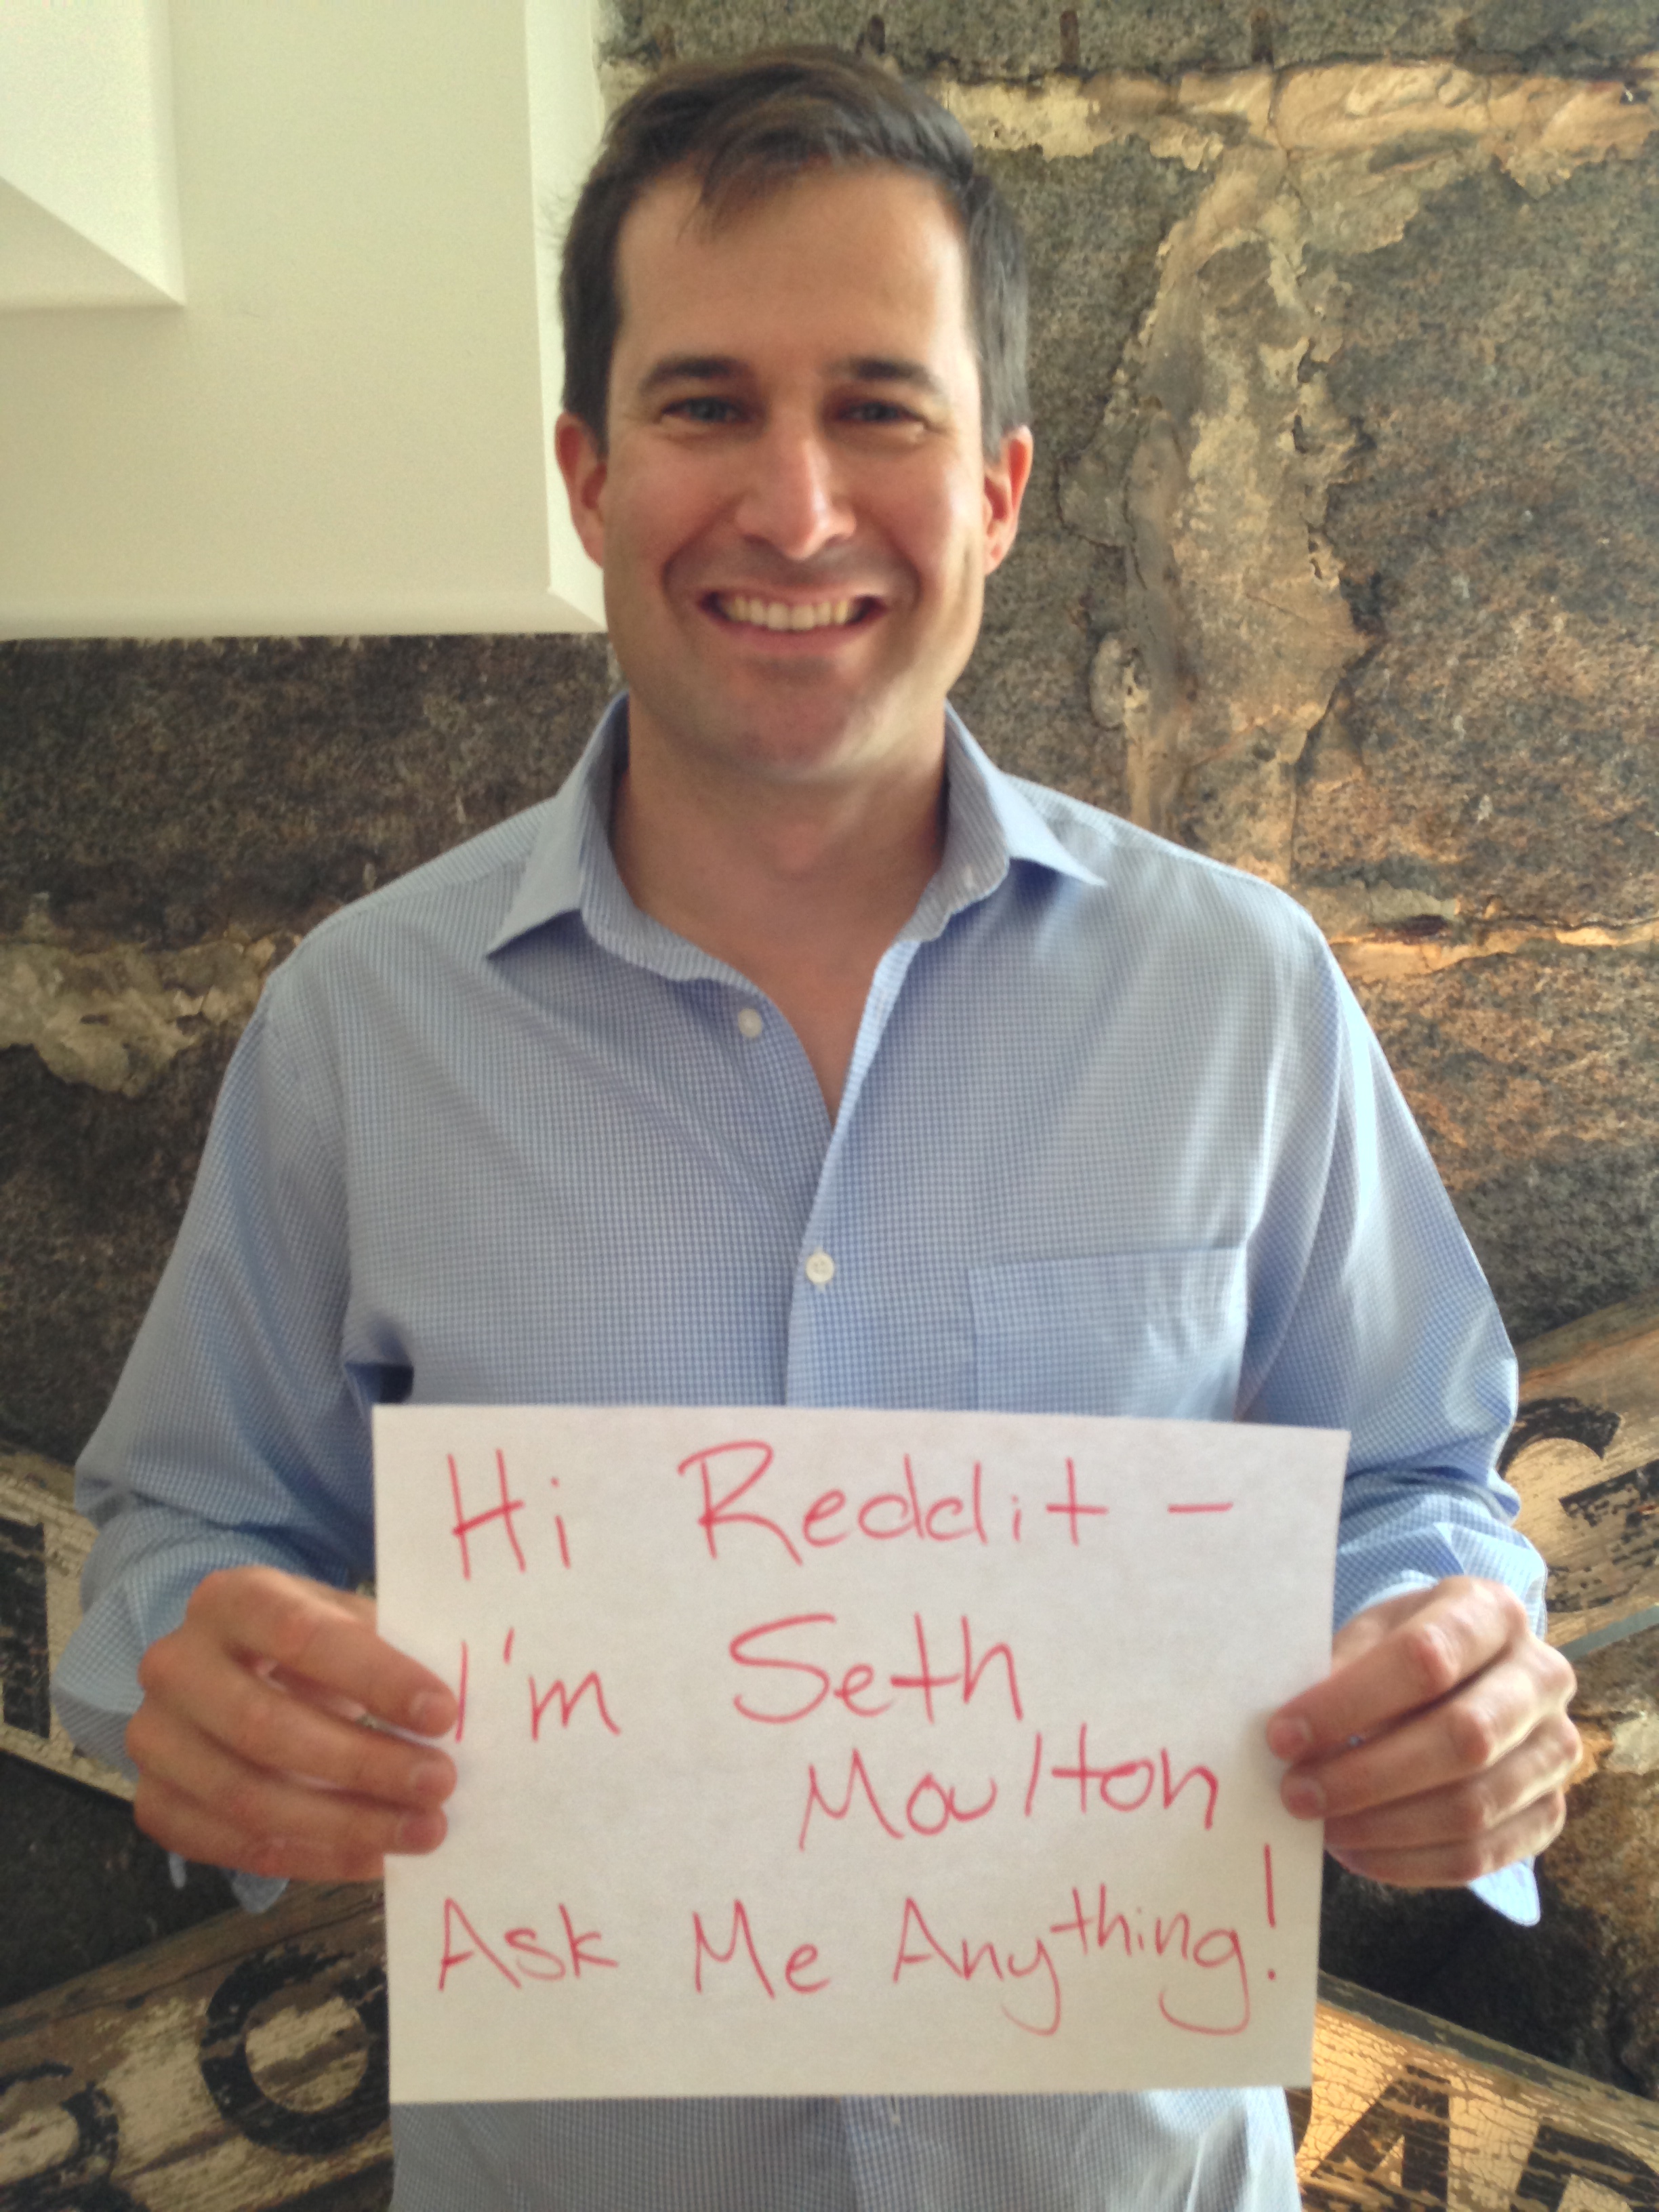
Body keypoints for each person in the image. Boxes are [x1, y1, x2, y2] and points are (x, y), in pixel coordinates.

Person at [55, 47, 1578, 2212]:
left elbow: (1422, 1480)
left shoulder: (1240, 996)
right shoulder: (364, 1028)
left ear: (1001, 491)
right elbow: (179, 1531)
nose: (793, 509)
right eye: (706, 407)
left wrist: (1451, 1663)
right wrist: (186, 1680)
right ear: (587, 476)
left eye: (880, 408)